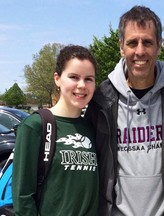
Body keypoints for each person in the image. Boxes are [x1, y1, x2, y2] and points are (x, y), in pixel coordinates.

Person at [84, 5, 164, 216]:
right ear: (122, 47)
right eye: (132, 43)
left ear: (159, 45)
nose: (140, 51)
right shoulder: (102, 99)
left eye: (147, 42)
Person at [12, 45, 99, 216]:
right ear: (57, 79)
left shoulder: (93, 128)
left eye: (89, 79)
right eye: (74, 77)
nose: (82, 85)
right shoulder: (35, 126)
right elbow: (23, 198)